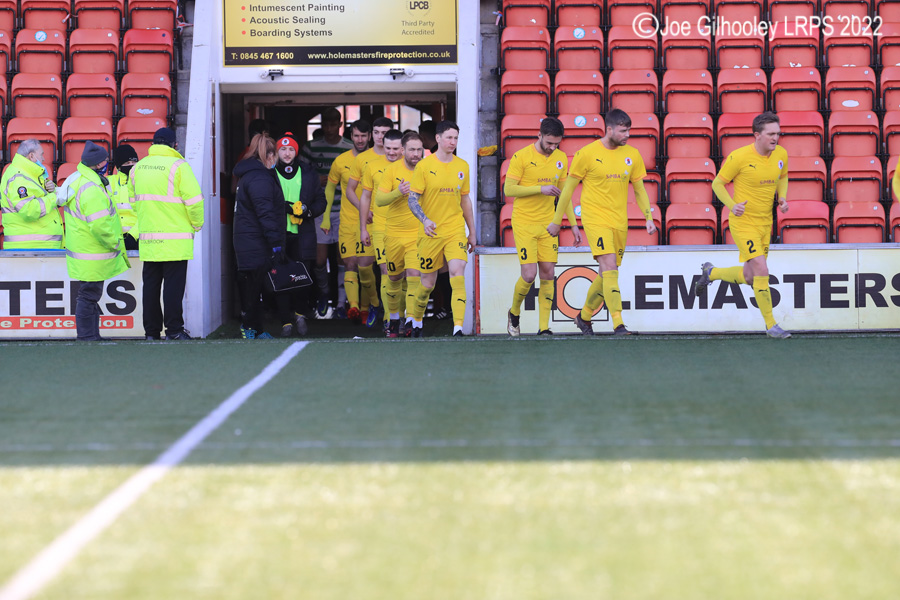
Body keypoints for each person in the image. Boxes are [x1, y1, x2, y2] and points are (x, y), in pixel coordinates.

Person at [555, 108, 657, 335]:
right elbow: (567, 190)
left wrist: (648, 218)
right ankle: (618, 324)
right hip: (595, 219)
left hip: (619, 221)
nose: (627, 135)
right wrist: (557, 221)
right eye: (623, 131)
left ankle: (583, 317)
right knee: (610, 268)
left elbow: (639, 190)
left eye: (629, 130)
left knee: (606, 274)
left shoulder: (633, 154)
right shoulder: (587, 154)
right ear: (608, 129)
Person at [694, 111, 791, 339]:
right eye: (770, 134)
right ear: (757, 135)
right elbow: (718, 183)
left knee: (750, 277)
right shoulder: (739, 157)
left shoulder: (781, 154)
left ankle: (711, 272)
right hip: (743, 222)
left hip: (765, 223)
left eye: (777, 133)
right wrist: (731, 205)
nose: (775, 138)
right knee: (762, 269)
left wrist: (782, 197)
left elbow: (783, 175)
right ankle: (771, 325)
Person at [504, 117, 582, 336]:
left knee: (548, 273)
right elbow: (509, 190)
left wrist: (573, 225)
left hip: (548, 225)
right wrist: (540, 189)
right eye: (549, 143)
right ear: (539, 135)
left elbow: (565, 194)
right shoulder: (522, 157)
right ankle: (514, 312)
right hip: (525, 223)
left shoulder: (560, 159)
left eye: (556, 144)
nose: (552, 147)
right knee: (529, 275)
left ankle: (544, 327)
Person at [130, 127, 204, 341]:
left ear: (153, 144)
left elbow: (135, 204)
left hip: (149, 240)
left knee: (150, 288)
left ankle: (151, 333)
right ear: (175, 145)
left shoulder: (138, 168)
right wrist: (197, 224)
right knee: (173, 288)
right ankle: (174, 331)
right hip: (175, 240)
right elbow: (194, 201)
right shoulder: (179, 166)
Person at [406, 120, 476, 337]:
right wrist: (425, 220)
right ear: (437, 139)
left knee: (457, 273)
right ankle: (416, 320)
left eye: (456, 138)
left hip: (455, 230)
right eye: (449, 137)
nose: (453, 142)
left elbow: (465, 200)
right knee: (427, 282)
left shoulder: (462, 166)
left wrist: (471, 231)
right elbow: (412, 200)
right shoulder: (424, 166)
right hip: (431, 232)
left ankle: (457, 327)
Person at [62, 142, 130, 341]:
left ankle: (92, 336)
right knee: (89, 296)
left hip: (85, 249)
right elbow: (99, 225)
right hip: (92, 250)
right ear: (99, 163)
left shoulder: (80, 181)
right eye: (106, 161)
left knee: (89, 296)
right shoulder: (91, 188)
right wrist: (115, 242)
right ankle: (87, 337)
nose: (108, 164)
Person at [302, 108, 354, 318]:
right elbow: (299, 176)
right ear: (321, 125)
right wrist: (316, 180)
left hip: (344, 211)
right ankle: (324, 295)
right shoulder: (311, 147)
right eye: (326, 124)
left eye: (334, 124)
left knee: (343, 259)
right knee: (320, 260)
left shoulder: (349, 148)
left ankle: (341, 304)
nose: (330, 128)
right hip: (320, 212)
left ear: (340, 125)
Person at [274, 132, 327, 336]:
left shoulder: (308, 173)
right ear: (277, 152)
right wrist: (287, 208)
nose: (287, 153)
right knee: (280, 280)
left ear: (296, 152)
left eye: (291, 149)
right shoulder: (269, 173)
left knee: (302, 278)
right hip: (278, 235)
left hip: (303, 234)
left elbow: (320, 202)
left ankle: (300, 314)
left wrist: (307, 211)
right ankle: (285, 322)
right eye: (283, 149)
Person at [233, 134, 283, 340]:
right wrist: (275, 242)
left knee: (253, 286)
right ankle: (250, 328)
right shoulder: (260, 178)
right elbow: (265, 212)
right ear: (269, 155)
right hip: (255, 241)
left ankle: (254, 328)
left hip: (247, 239)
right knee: (254, 288)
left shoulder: (249, 175)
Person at [376, 130, 425, 337]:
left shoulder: (427, 169)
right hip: (394, 234)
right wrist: (399, 192)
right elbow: (379, 200)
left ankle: (413, 321)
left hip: (417, 234)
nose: (416, 154)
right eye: (412, 150)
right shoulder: (391, 171)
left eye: (419, 149)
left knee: (415, 276)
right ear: (403, 150)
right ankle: (394, 319)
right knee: (394, 278)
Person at [347, 116, 393, 327]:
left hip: (391, 223)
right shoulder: (362, 159)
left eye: (385, 133)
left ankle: (388, 315)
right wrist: (364, 212)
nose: (380, 137)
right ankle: (375, 303)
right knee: (363, 266)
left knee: (387, 269)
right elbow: (350, 190)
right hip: (367, 221)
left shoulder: (399, 158)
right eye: (377, 132)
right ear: (372, 134)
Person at [327, 120, 371, 323]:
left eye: (363, 136)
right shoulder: (340, 161)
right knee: (349, 263)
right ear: (351, 137)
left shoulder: (377, 159)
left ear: (369, 136)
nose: (360, 140)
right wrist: (326, 217)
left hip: (371, 222)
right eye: (356, 136)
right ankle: (353, 307)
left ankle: (365, 308)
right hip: (346, 221)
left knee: (365, 267)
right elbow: (329, 189)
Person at [360, 128, 402, 334]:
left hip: (407, 229)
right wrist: (362, 228)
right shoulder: (372, 166)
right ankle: (389, 319)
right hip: (380, 228)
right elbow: (365, 197)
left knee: (405, 274)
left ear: (402, 148)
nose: (391, 152)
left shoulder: (414, 167)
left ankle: (403, 316)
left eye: (395, 148)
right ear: (381, 146)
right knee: (386, 271)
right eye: (388, 148)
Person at [0, 139, 62, 249]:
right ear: (32, 156)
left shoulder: (29, 173)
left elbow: (40, 196)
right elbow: (29, 210)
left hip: (36, 246)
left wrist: (52, 189)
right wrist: (54, 196)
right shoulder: (18, 177)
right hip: (30, 248)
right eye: (41, 154)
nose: (43, 158)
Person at [110, 144, 140, 251]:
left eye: (134, 162)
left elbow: (148, 214)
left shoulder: (143, 182)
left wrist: (133, 236)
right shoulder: (108, 183)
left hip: (139, 239)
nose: (131, 165)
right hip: (114, 240)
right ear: (118, 167)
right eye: (127, 163)